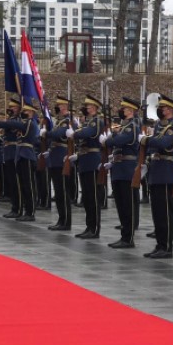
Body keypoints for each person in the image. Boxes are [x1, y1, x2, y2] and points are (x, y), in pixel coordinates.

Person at [141, 96, 173, 258]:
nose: (160, 110)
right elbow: (153, 146)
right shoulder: (158, 126)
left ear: (169, 110)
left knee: (165, 212)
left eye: (163, 108)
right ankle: (159, 244)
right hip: (156, 170)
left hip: (166, 171)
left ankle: (167, 247)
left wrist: (147, 139)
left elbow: (164, 143)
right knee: (157, 212)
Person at [103, 97, 141, 248]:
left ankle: (128, 237)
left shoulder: (132, 126)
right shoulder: (123, 127)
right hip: (118, 167)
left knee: (128, 204)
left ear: (130, 111)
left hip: (127, 168)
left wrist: (113, 136)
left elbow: (117, 141)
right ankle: (124, 235)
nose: (122, 111)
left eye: (124, 109)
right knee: (120, 203)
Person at [69, 95, 105, 239]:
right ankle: (89, 226)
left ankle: (94, 228)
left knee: (93, 196)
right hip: (84, 160)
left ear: (95, 108)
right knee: (87, 197)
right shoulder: (87, 122)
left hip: (92, 160)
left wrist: (75, 132)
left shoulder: (96, 122)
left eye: (89, 106)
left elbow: (88, 133)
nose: (86, 108)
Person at [46, 96, 73, 231]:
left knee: (63, 192)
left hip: (62, 158)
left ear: (64, 107)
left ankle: (66, 221)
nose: (57, 107)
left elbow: (58, 134)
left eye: (59, 105)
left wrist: (49, 133)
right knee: (58, 192)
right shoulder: (60, 121)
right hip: (55, 158)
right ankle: (61, 219)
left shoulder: (68, 120)